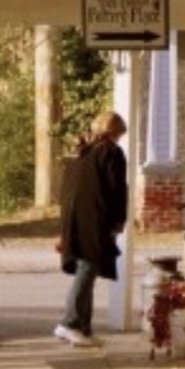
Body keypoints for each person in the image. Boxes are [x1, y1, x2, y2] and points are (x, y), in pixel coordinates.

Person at [55, 110, 128, 348]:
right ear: (114, 131)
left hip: (74, 219)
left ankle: (83, 328)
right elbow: (117, 190)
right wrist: (118, 221)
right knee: (87, 268)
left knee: (87, 268)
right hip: (95, 220)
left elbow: (65, 191)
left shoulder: (81, 154)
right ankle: (71, 322)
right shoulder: (112, 154)